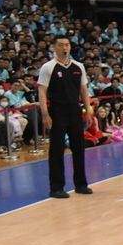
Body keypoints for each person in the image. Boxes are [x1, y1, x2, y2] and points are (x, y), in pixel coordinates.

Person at [37, 35, 93, 198]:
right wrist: (45, 114)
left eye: (67, 45)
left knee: (78, 148)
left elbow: (84, 90)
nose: (64, 48)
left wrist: (88, 110)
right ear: (54, 47)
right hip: (57, 111)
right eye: (61, 45)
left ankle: (81, 184)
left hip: (75, 110)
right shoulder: (48, 67)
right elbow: (42, 92)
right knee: (57, 149)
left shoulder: (78, 66)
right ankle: (56, 187)